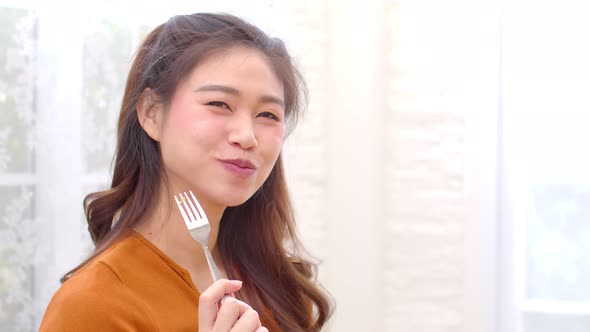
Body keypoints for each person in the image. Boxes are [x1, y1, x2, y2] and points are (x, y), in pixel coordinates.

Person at [40, 12, 332, 331]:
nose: (247, 137)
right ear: (151, 113)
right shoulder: (93, 305)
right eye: (219, 104)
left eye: (268, 114)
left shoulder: (276, 284)